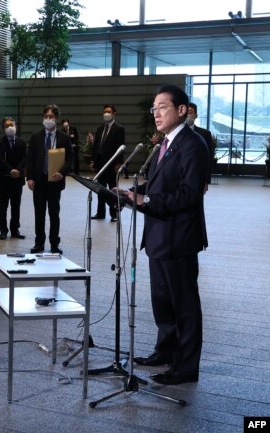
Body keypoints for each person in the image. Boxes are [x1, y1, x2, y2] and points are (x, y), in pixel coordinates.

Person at [121, 84, 209, 385]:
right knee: (162, 300)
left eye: (163, 107)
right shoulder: (164, 144)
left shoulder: (193, 144)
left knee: (184, 304)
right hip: (158, 236)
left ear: (181, 110)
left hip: (179, 238)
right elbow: (160, 187)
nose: (156, 113)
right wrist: (134, 192)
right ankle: (165, 350)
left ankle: (186, 367)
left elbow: (189, 195)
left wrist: (147, 201)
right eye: (154, 108)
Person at [26, 104, 72, 254]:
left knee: (54, 214)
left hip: (55, 181)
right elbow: (30, 159)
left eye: (51, 117)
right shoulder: (35, 137)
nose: (48, 119)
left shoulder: (64, 137)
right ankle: (39, 243)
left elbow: (70, 160)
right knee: (39, 213)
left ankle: (54, 244)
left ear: (56, 118)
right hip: (38, 181)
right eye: (45, 117)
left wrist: (62, 173)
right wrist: (30, 178)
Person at [0, 116, 27, 240]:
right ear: (3, 129)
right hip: (3, 180)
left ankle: (15, 230)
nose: (9, 127)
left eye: (11, 125)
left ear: (16, 126)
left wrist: (18, 169)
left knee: (16, 206)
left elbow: (25, 158)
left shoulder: (22, 142)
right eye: (6, 126)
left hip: (18, 179)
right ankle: (3, 230)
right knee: (3, 206)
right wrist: (10, 170)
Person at [90, 104, 125, 222]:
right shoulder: (100, 129)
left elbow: (121, 147)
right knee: (100, 189)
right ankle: (100, 213)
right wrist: (93, 160)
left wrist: (119, 163)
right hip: (100, 164)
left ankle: (114, 214)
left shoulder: (119, 129)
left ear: (114, 114)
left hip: (112, 164)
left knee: (112, 190)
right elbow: (96, 146)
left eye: (109, 112)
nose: (106, 114)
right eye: (104, 111)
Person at [187, 102, 214, 189]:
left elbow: (209, 159)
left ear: (196, 115)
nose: (187, 115)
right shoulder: (174, 133)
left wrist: (206, 181)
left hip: (197, 177)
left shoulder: (205, 134)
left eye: (190, 112)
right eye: (185, 112)